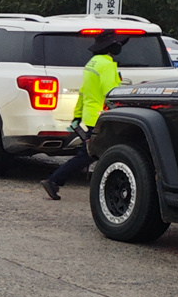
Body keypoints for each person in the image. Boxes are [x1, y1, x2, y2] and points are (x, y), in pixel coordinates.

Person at [42, 29, 124, 200]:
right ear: (112, 47)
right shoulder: (106, 64)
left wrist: (78, 116)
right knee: (97, 155)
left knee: (90, 154)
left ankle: (56, 181)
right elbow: (112, 93)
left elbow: (84, 92)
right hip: (103, 118)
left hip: (91, 117)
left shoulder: (92, 63)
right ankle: (55, 180)